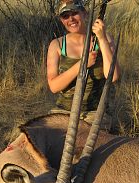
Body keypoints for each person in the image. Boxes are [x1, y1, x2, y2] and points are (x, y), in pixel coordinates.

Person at [46, 0, 120, 130]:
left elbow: (113, 76)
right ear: (61, 20)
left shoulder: (104, 38)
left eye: (75, 13)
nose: (71, 19)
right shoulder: (56, 45)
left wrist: (102, 39)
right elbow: (53, 86)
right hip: (63, 111)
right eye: (65, 16)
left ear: (85, 14)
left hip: (94, 113)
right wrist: (82, 65)